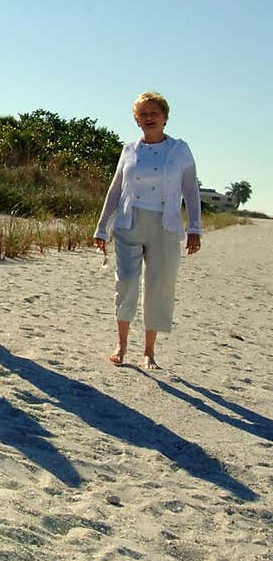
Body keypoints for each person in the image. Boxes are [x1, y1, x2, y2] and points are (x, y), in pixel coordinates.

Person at [93, 92, 201, 370]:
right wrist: (102, 228)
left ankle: (149, 351)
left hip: (165, 226)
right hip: (130, 222)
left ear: (165, 117)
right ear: (136, 120)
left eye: (154, 113)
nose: (149, 118)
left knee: (159, 286)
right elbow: (115, 190)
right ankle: (122, 343)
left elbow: (191, 191)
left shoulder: (180, 151)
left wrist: (194, 229)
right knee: (126, 282)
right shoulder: (129, 150)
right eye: (143, 114)